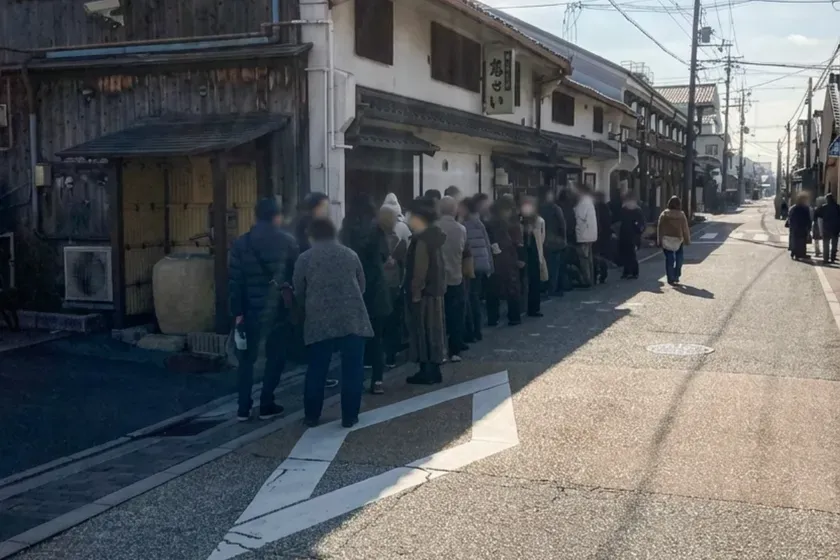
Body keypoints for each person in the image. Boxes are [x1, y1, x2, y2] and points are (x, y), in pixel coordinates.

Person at [293, 218, 372, 428]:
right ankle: (349, 416)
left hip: (319, 319)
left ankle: (311, 415)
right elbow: (362, 285)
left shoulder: (305, 258)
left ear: (312, 236)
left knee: (317, 368)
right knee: (353, 369)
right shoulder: (349, 254)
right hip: (352, 317)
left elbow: (298, 291)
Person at [228, 198, 299, 422]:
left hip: (249, 311)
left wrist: (237, 312)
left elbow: (234, 282)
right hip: (278, 310)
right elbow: (295, 276)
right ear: (276, 216)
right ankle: (266, 403)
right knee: (275, 358)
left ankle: (243, 407)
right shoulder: (288, 242)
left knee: (246, 360)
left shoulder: (241, 243)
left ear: (256, 216)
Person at [340, 195, 392, 395]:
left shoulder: (345, 231)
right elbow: (384, 256)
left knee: (353, 339)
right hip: (376, 289)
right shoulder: (377, 230)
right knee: (376, 338)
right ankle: (377, 381)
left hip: (352, 289)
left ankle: (354, 382)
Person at [291, 192, 337, 386]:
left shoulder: (300, 223)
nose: (327, 210)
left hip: (308, 283)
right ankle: (318, 375)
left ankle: (315, 372)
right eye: (324, 206)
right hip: (315, 283)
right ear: (316, 207)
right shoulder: (309, 227)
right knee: (319, 332)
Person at [403, 198, 447, 385]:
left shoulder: (421, 239)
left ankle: (426, 369)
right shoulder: (435, 236)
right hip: (436, 289)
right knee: (435, 330)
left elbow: (420, 269)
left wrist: (415, 290)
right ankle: (434, 368)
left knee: (423, 330)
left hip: (424, 292)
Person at [438, 196, 471, 362]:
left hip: (438, 279)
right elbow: (464, 251)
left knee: (439, 317)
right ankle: (455, 350)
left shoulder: (434, 228)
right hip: (456, 276)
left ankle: (441, 350)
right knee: (456, 315)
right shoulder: (461, 229)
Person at [379, 203, 409, 368]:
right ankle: (391, 354)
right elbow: (402, 263)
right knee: (392, 320)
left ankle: (373, 356)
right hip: (392, 284)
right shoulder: (395, 238)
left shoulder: (372, 238)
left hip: (376, 285)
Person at [485, 198, 522, 326]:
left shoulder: (488, 222)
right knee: (512, 288)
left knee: (492, 290)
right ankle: (514, 316)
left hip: (494, 259)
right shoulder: (509, 223)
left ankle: (492, 318)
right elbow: (515, 242)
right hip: (507, 258)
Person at [463, 195, 494, 342]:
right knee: (474, 298)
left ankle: (473, 330)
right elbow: (487, 245)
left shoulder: (466, 225)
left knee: (471, 298)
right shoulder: (479, 223)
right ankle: (477, 330)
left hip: (471, 266)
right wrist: (490, 265)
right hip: (481, 264)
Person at [520, 196, 549, 317]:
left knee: (533, 281)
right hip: (526, 254)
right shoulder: (520, 221)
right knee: (526, 282)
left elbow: (541, 240)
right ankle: (527, 307)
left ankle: (532, 308)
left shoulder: (538, 221)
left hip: (533, 254)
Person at [538, 186, 567, 297]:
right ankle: (554, 289)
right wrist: (563, 239)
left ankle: (548, 288)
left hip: (545, 241)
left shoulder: (540, 208)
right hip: (555, 242)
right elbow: (562, 225)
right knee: (555, 266)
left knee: (549, 266)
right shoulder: (555, 208)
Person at [657, 196, 691, 285]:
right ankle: (677, 274)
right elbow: (685, 229)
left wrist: (659, 240)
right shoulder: (681, 215)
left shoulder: (664, 214)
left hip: (666, 239)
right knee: (679, 257)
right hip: (678, 239)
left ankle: (670, 277)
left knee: (669, 259)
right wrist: (687, 240)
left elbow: (660, 228)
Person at [574, 185, 598, 288]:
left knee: (584, 259)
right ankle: (591, 279)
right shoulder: (590, 202)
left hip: (584, 234)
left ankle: (586, 280)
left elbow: (579, 215)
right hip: (590, 234)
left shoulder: (583, 203)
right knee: (589, 259)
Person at [617, 194, 646, 279]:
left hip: (631, 235)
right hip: (628, 235)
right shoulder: (628, 210)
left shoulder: (634, 210)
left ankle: (632, 272)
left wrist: (638, 231)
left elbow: (641, 223)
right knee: (627, 254)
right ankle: (629, 271)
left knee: (630, 254)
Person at [593, 192, 612, 284]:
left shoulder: (595, 207)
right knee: (602, 256)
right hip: (604, 234)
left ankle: (596, 274)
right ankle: (603, 274)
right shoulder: (605, 207)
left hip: (597, 234)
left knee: (595, 256)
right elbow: (608, 221)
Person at [787, 192, 812, 260]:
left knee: (797, 240)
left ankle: (795, 252)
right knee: (801, 241)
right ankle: (799, 254)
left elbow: (789, 217)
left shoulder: (793, 207)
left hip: (796, 227)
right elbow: (808, 218)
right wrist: (809, 227)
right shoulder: (805, 208)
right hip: (801, 227)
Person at [816, 193, 840, 263]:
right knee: (834, 244)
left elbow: (819, 217)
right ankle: (833, 257)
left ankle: (826, 258)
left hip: (826, 228)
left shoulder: (824, 207)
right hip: (835, 229)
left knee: (826, 244)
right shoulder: (838, 207)